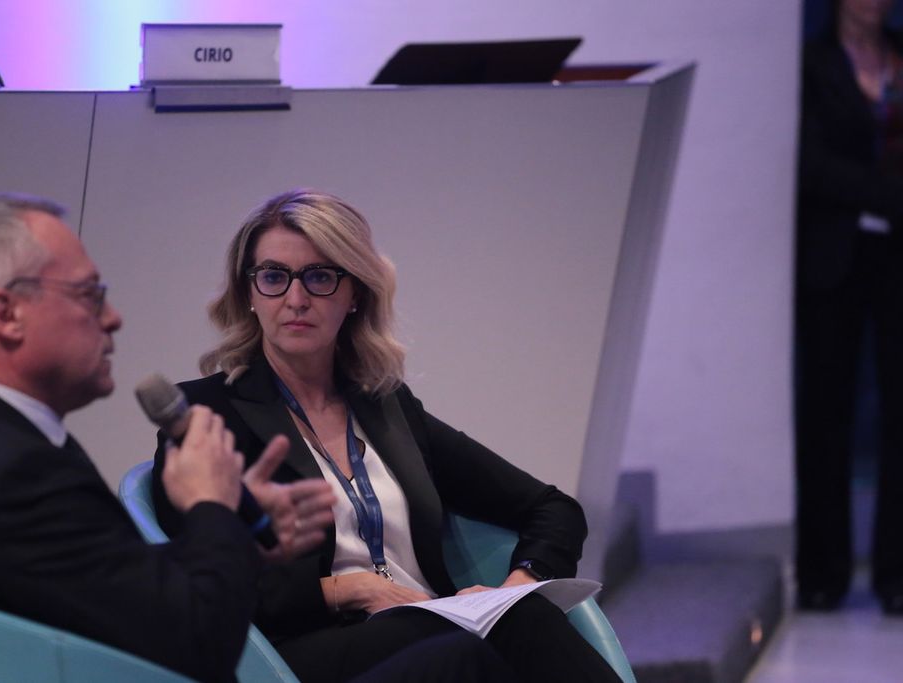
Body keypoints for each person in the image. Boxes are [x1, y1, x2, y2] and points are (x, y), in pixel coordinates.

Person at [151, 189, 622, 683]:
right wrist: (349, 589)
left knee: (524, 618)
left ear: (356, 293)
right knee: (461, 645)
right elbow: (201, 581)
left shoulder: (386, 407)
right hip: (299, 654)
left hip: (430, 626)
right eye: (273, 277)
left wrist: (512, 590)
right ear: (248, 293)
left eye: (320, 276)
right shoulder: (205, 416)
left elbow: (552, 509)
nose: (295, 299)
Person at [0, 192, 339, 682]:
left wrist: (238, 532)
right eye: (88, 294)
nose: (113, 317)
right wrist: (212, 506)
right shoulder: (13, 472)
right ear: (7, 314)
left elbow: (112, 584)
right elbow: (201, 647)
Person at [796, 0, 903, 614]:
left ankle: (896, 574)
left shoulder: (899, 55)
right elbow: (811, 165)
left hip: (897, 255)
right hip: (834, 256)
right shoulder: (813, 65)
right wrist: (889, 194)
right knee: (826, 412)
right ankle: (823, 572)